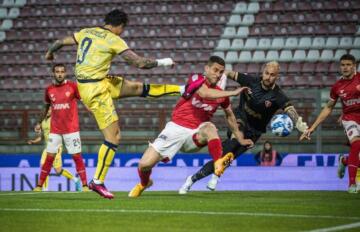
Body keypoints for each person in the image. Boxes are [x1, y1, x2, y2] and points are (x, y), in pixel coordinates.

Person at [44, 9, 185, 199]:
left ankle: (181, 90)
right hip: (95, 90)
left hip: (96, 81)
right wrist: (165, 62)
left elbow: (60, 42)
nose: (122, 33)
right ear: (120, 26)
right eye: (122, 29)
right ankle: (98, 181)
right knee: (114, 136)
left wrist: (50, 53)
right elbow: (140, 63)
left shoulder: (88, 31)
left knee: (135, 88)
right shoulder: (113, 39)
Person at [128, 56, 252, 198]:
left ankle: (218, 163)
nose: (217, 75)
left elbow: (230, 115)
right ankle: (144, 183)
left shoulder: (221, 95)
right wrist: (233, 92)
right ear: (207, 69)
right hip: (176, 128)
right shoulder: (196, 79)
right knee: (144, 165)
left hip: (196, 134)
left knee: (210, 127)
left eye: (221, 72)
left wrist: (240, 139)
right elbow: (204, 93)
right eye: (215, 70)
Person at [179, 61, 309, 194]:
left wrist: (301, 126)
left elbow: (290, 110)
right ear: (263, 72)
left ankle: (196, 178)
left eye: (272, 75)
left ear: (277, 76)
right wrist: (211, 75)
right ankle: (200, 179)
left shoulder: (278, 96)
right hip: (239, 119)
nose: (268, 77)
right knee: (232, 145)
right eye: (266, 73)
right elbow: (228, 73)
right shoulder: (250, 80)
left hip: (255, 131)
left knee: (229, 156)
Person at [301, 54, 360, 193]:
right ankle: (352, 184)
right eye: (343, 65)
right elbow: (328, 107)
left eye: (348, 65)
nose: (345, 67)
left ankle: (345, 162)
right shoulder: (337, 86)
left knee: (356, 155)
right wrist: (312, 127)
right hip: (349, 119)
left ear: (354, 66)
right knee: (356, 143)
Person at [33, 64, 89, 192]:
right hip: (55, 130)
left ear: (65, 73)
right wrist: (38, 122)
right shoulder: (49, 90)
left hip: (71, 129)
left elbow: (84, 101)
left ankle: (85, 185)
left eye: (62, 72)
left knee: (77, 157)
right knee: (49, 157)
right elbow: (46, 107)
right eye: (57, 71)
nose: (59, 74)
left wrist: (92, 110)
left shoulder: (72, 86)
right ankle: (39, 186)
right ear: (53, 73)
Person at [28, 109, 82, 191]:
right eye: (48, 109)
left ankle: (76, 180)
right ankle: (44, 189)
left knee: (58, 170)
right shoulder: (43, 121)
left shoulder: (55, 119)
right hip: (47, 148)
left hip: (56, 147)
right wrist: (33, 141)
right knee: (43, 166)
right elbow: (40, 137)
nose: (49, 111)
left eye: (51, 109)